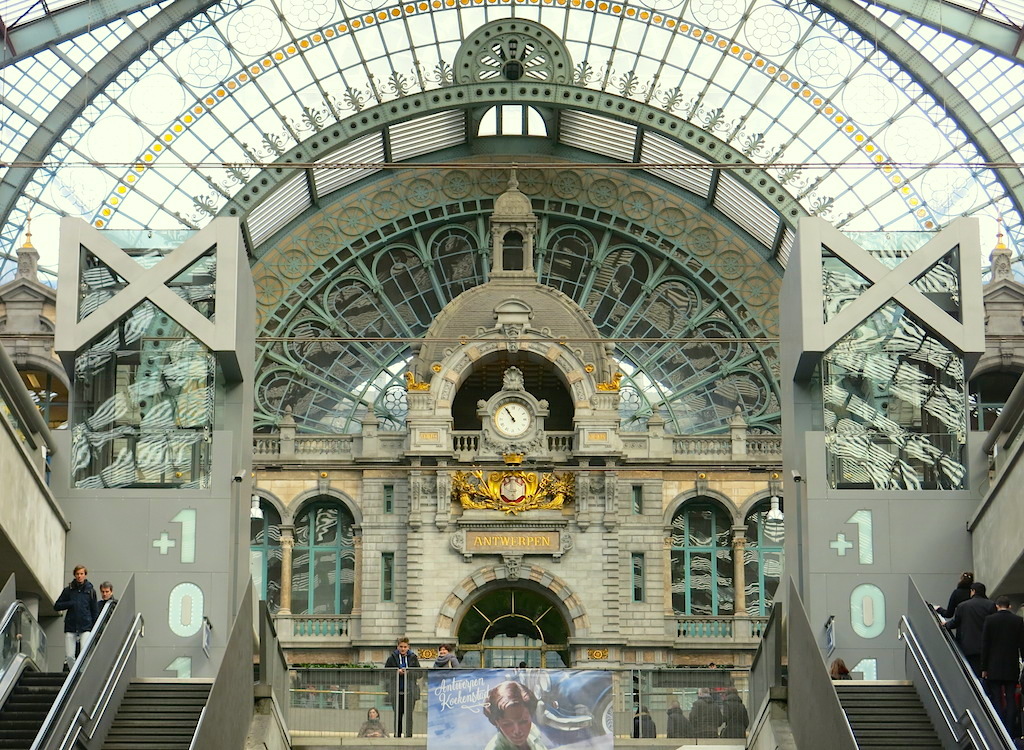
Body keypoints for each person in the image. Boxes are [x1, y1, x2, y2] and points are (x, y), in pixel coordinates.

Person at [981, 595, 1024, 735]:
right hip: (1011, 664)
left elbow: (985, 645)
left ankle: (999, 728)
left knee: (996, 697)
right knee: (1010, 697)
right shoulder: (1018, 620)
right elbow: (1022, 644)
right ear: (1009, 606)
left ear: (997, 606)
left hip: (993, 665)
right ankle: (1010, 729)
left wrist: (984, 667)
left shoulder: (990, 620)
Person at [944, 582, 997, 678]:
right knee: (986, 674)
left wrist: (945, 625)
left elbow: (955, 622)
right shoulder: (991, 605)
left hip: (968, 646)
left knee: (972, 673)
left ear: (973, 591)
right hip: (986, 646)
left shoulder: (962, 606)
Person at [53, 565, 99, 671]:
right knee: (69, 656)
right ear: (74, 575)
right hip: (71, 625)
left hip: (86, 625)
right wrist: (70, 603)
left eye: (81, 574)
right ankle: (74, 673)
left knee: (84, 652)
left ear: (85, 575)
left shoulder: (91, 591)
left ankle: (82, 673)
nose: (79, 576)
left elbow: (94, 610)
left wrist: (95, 627)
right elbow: (57, 606)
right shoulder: (68, 590)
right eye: (77, 574)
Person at [483, 681, 548, 750]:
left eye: (523, 722)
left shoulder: (533, 731)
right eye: (507, 724)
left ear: (530, 716)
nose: (517, 731)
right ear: (497, 722)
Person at [384, 637, 420, 737]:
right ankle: (397, 735)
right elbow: (385, 673)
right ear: (397, 647)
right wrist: (396, 672)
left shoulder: (413, 658)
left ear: (408, 647)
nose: (403, 649)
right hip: (396, 691)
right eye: (401, 647)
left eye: (405, 647)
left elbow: (420, 674)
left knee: (409, 716)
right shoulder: (391, 658)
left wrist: (409, 672)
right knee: (398, 715)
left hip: (410, 691)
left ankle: (409, 735)